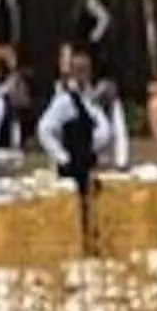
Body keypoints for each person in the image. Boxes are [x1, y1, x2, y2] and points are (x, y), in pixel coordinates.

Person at [38, 49, 128, 202]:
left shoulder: (91, 98)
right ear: (72, 72)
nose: (83, 75)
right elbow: (44, 130)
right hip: (73, 171)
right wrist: (63, 158)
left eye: (86, 70)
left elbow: (106, 130)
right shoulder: (65, 101)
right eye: (79, 70)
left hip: (91, 166)